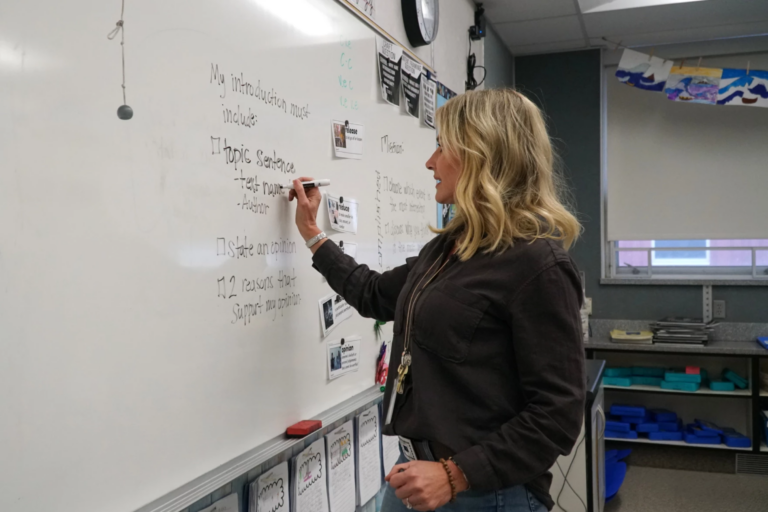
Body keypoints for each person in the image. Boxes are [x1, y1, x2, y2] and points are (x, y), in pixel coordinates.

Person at [289, 89, 585, 512]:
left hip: (481, 492)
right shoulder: (448, 250)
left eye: (442, 146)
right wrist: (314, 236)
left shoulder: (538, 265)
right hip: (413, 472)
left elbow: (558, 414)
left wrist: (456, 474)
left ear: (480, 153)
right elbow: (374, 294)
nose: (430, 162)